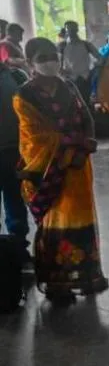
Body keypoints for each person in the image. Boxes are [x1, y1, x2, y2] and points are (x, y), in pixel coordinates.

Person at [14, 37, 109, 304]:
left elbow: (86, 118)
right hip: (49, 170)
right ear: (30, 63)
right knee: (57, 221)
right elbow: (35, 137)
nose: (50, 62)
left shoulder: (68, 86)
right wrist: (76, 145)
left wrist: (85, 145)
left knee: (80, 217)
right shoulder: (24, 95)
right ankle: (58, 284)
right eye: (42, 58)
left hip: (78, 167)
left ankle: (85, 275)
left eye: (53, 56)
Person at [0, 58, 28, 251]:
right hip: (11, 150)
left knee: (15, 201)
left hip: (13, 152)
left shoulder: (16, 76)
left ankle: (18, 249)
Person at [58, 21, 102, 104]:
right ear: (66, 30)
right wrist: (61, 71)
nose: (71, 31)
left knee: (85, 102)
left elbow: (100, 58)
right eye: (68, 29)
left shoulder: (86, 44)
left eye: (73, 29)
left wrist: (94, 70)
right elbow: (57, 62)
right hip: (69, 79)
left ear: (77, 29)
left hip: (85, 78)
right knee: (71, 103)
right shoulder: (62, 46)